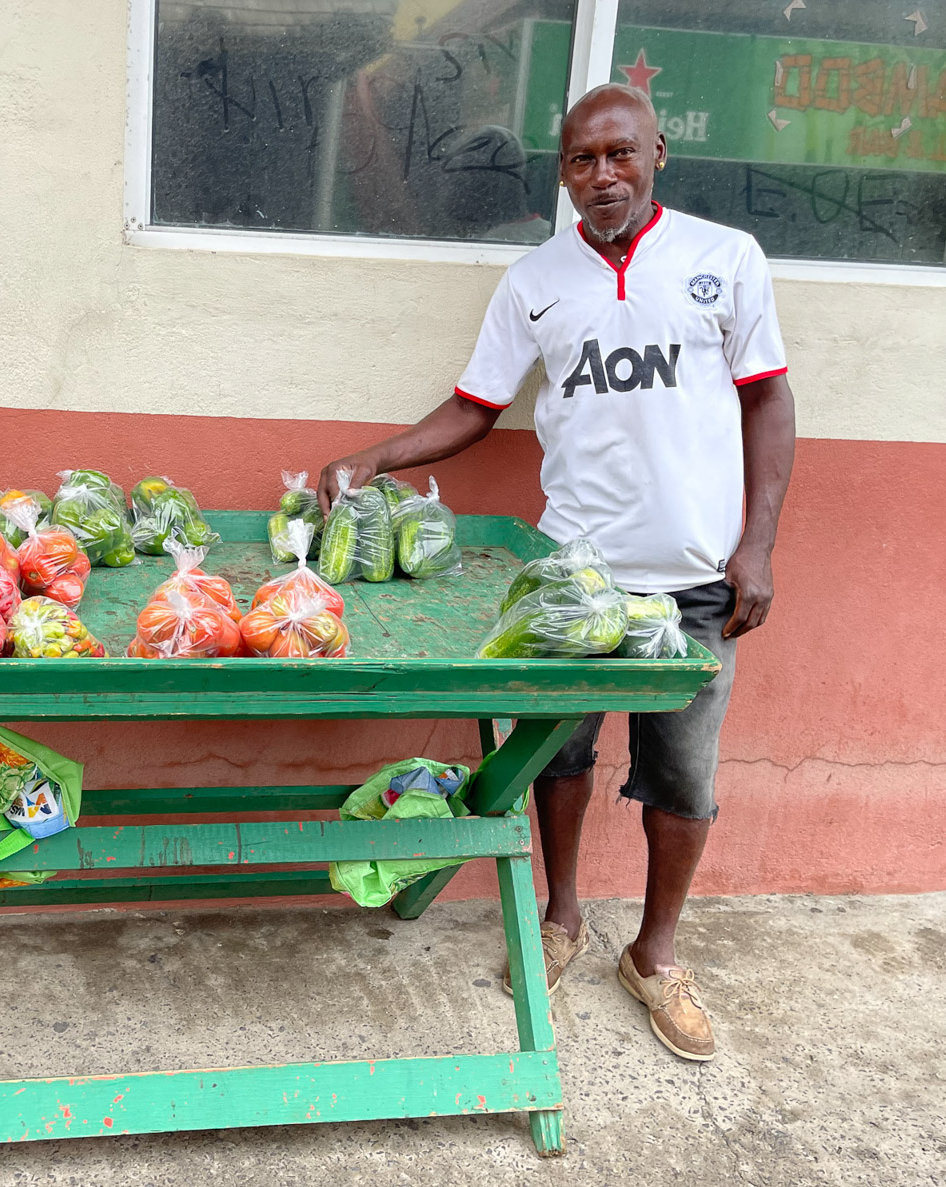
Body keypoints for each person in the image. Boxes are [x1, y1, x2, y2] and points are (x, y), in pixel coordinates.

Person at [317, 83, 796, 1062]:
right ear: (564, 172)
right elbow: (474, 408)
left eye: (621, 154)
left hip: (696, 580)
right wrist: (377, 459)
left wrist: (758, 545)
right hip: (570, 577)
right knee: (557, 756)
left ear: (658, 150)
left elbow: (769, 402)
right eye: (583, 160)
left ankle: (655, 956)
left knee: (684, 778)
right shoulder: (536, 280)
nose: (603, 175)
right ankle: (563, 916)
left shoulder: (724, 263)